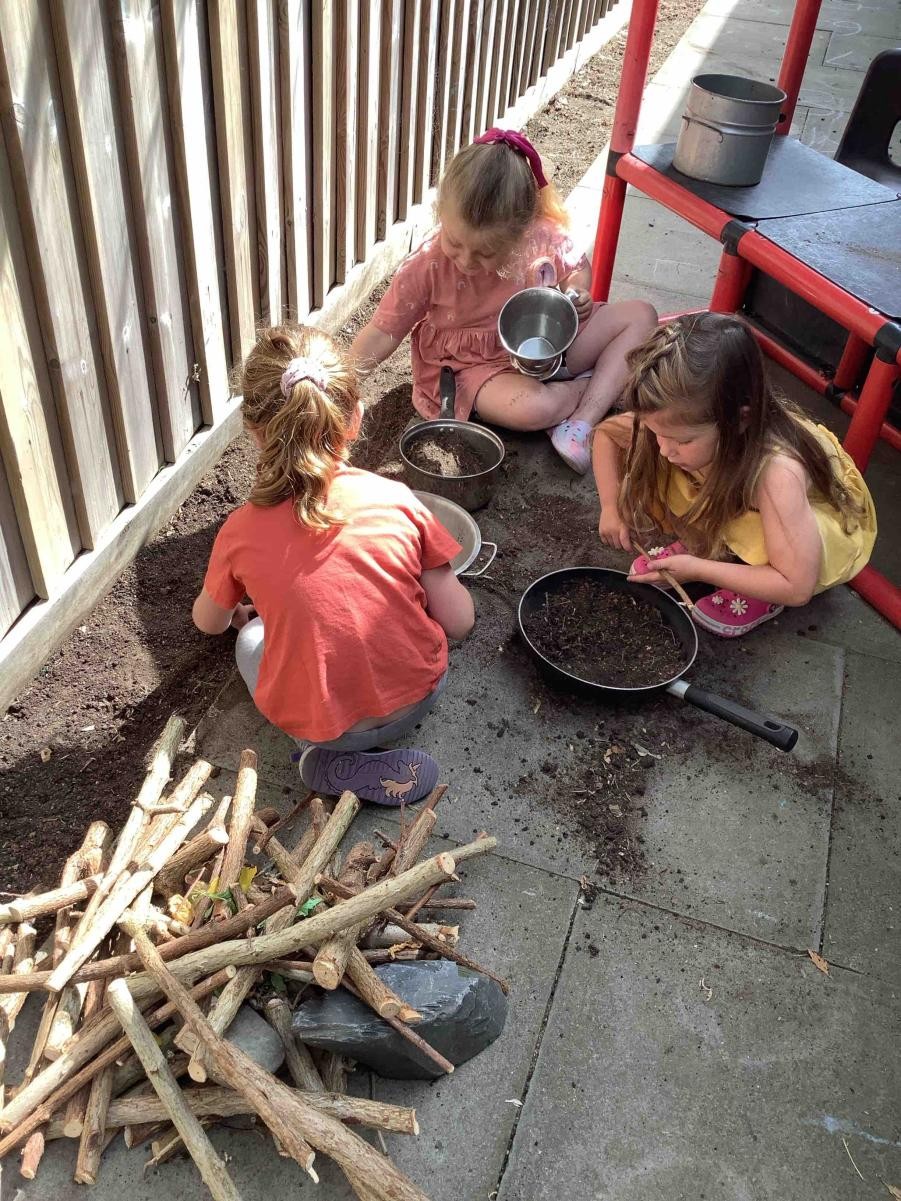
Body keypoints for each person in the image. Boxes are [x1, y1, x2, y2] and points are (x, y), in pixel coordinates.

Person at [192, 323, 474, 805]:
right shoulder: (398, 499)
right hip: (419, 697)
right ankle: (361, 750)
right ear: (356, 418)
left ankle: (318, 752)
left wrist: (238, 611)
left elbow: (207, 622)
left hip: (328, 728)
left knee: (251, 639)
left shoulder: (240, 532)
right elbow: (460, 622)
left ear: (255, 434)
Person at [350, 128, 657, 474]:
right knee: (534, 409)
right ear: (441, 215)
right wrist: (342, 382)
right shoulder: (427, 267)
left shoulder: (540, 236)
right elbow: (383, 332)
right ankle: (599, 386)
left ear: (522, 232)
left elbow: (577, 269)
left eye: (485, 253)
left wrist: (576, 292)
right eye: (454, 242)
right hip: (474, 367)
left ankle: (580, 424)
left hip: (546, 345)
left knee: (641, 315)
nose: (465, 260)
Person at [593, 313, 877, 637]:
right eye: (657, 432)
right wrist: (611, 508)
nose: (665, 449)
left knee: (771, 539)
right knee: (661, 464)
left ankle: (757, 583)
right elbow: (606, 436)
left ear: (740, 419)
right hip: (740, 487)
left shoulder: (777, 474)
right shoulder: (679, 420)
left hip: (803, 533)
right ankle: (710, 544)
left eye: (683, 441)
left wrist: (698, 570)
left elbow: (797, 585)